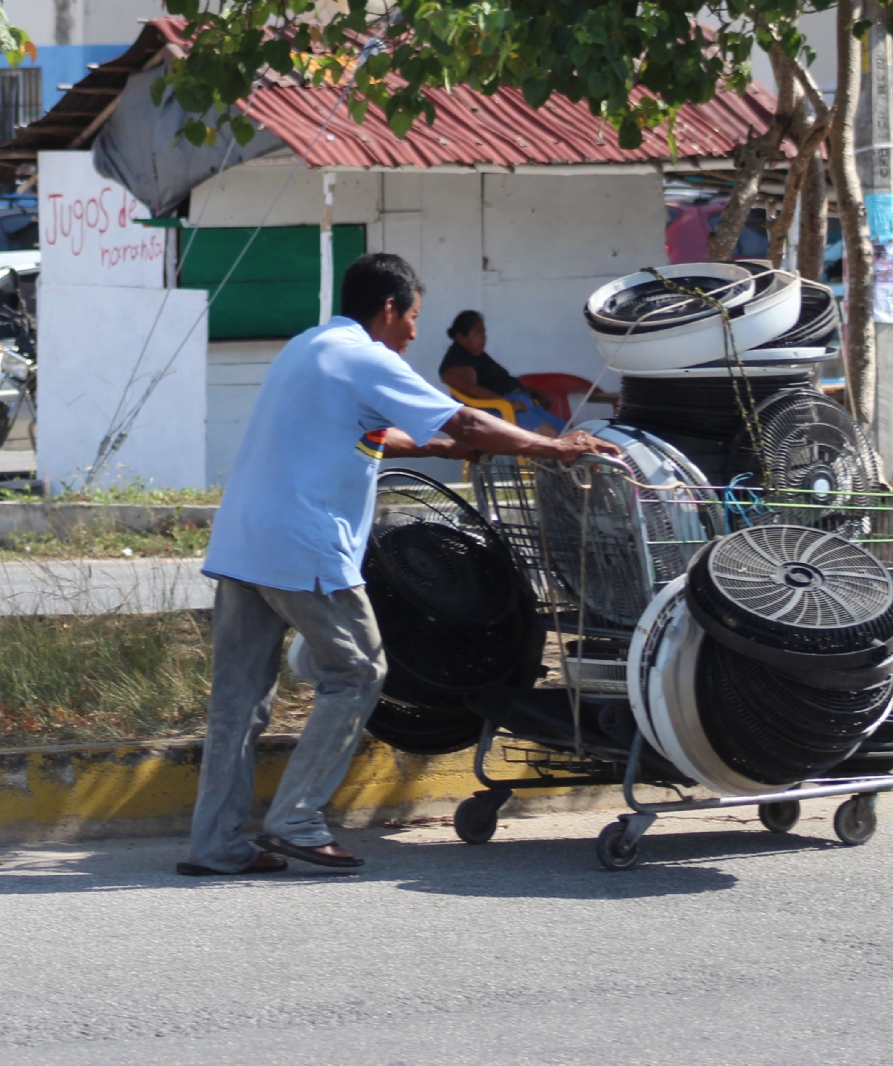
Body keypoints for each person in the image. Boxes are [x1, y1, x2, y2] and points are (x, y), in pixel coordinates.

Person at [181, 253, 618, 876]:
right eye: (413, 316)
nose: (416, 331)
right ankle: (296, 819)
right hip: (301, 545)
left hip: (243, 541)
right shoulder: (367, 357)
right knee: (358, 672)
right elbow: (466, 416)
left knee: (238, 701)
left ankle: (214, 844)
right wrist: (554, 445)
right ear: (388, 309)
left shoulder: (310, 346)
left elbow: (367, 434)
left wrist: (442, 445)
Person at [438, 310, 567, 437]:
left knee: (569, 433)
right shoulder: (456, 361)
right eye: (478, 332)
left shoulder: (477, 355)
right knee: (550, 435)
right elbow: (469, 388)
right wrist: (507, 403)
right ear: (461, 337)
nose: (484, 336)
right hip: (503, 413)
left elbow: (501, 382)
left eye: (484, 331)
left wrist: (534, 392)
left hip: (523, 407)